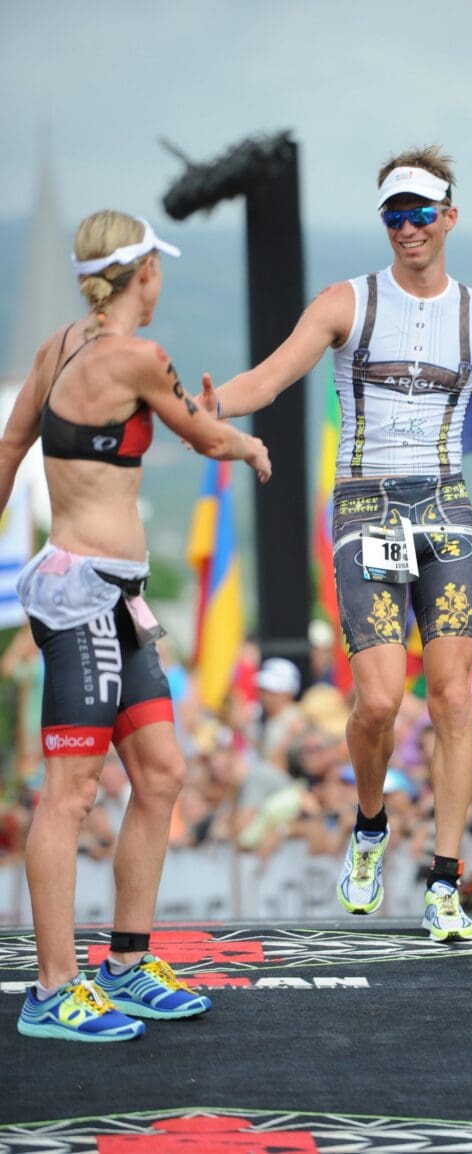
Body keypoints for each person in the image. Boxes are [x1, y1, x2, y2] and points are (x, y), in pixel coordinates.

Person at [203, 146, 472, 941]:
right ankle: (372, 824)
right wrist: (204, 408)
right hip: (367, 510)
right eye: (395, 214)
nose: (409, 228)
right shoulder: (347, 302)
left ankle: (444, 882)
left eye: (422, 213)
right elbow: (272, 378)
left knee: (453, 697)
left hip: (448, 506)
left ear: (449, 217)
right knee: (380, 699)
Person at [0, 210, 271, 1041]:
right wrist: (251, 448)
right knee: (71, 795)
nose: (161, 284)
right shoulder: (138, 357)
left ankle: (125, 961)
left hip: (115, 596)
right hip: (81, 595)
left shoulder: (59, 347)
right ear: (142, 272)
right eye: (158, 271)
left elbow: (10, 448)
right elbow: (203, 435)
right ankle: (52, 989)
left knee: (160, 773)